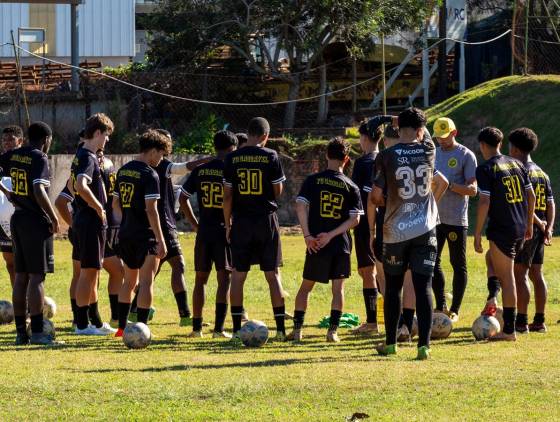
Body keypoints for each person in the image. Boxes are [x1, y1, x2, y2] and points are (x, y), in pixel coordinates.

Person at [370, 107, 448, 360]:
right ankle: (423, 346)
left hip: (395, 232)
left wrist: (391, 201)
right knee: (423, 285)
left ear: (398, 128)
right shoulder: (429, 150)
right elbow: (423, 135)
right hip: (426, 229)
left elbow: (374, 197)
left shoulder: (386, 155)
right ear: (420, 130)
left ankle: (391, 343)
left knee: (393, 287)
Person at [288, 137, 363, 343]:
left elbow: (300, 206)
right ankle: (332, 332)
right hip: (339, 244)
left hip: (315, 244)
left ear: (326, 155)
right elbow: (355, 219)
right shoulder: (351, 186)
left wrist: (308, 236)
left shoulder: (313, 180)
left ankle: (297, 331)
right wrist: (331, 235)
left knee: (306, 287)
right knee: (338, 289)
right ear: (346, 159)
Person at [128, 129, 204, 326]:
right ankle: (185, 315)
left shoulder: (149, 165)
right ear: (155, 149)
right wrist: (208, 160)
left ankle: (134, 311)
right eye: (164, 147)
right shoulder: (160, 165)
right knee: (174, 266)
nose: (167, 151)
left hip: (157, 224)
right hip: (162, 225)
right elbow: (182, 168)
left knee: (152, 272)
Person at [223, 117, 287, 341]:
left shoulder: (232, 158)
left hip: (241, 221)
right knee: (272, 275)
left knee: (238, 276)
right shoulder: (271, 156)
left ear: (247, 133)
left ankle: (235, 330)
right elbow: (278, 190)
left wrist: (228, 223)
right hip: (265, 220)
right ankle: (280, 330)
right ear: (265, 136)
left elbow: (228, 195)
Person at [0, 122, 59, 345]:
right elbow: (38, 189)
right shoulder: (39, 158)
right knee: (36, 277)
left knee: (21, 276)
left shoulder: (13, 155)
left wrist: (9, 193)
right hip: (35, 222)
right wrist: (53, 217)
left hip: (18, 219)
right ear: (46, 139)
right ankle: (37, 333)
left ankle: (20, 333)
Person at [474, 127, 535, 341]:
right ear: (500, 143)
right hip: (519, 227)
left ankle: (509, 330)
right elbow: (531, 195)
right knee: (492, 260)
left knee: (508, 278)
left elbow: (484, 201)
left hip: (502, 228)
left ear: (483, 145)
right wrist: (528, 224)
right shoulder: (517, 163)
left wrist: (477, 233)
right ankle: (494, 298)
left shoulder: (486, 168)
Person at [180, 130, 238, 338]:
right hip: (224, 231)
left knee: (200, 280)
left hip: (204, 231)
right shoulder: (231, 171)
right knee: (225, 279)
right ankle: (219, 329)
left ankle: (196, 329)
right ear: (232, 149)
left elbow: (183, 198)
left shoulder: (201, 170)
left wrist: (195, 224)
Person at [112, 129, 170, 337]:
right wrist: (161, 240)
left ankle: (121, 328)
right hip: (146, 235)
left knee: (129, 282)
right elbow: (151, 209)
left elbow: (115, 204)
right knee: (146, 282)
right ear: (153, 151)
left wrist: (124, 223)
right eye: (161, 155)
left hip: (126, 233)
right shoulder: (150, 174)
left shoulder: (124, 170)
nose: (161, 160)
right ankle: (142, 328)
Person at [69, 114, 116, 335]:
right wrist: (99, 207)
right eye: (106, 136)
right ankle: (81, 324)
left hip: (82, 219)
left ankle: (95, 322)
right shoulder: (87, 156)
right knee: (88, 273)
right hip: (89, 220)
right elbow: (79, 185)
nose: (106, 141)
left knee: (92, 272)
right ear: (97, 133)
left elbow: (71, 184)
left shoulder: (81, 154)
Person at [506, 128, 554, 333]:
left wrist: (536, 222)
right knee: (537, 273)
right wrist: (549, 226)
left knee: (520, 274)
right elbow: (551, 204)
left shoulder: (519, 170)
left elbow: (527, 202)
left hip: (526, 229)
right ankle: (540, 320)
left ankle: (522, 321)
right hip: (541, 228)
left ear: (515, 148)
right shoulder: (542, 172)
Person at [350, 115, 394, 335]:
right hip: (390, 220)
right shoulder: (387, 158)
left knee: (368, 271)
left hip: (368, 223)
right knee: (382, 271)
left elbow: (361, 197)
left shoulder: (363, 162)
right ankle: (390, 318)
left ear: (365, 137)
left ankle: (372, 323)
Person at [432, 117, 478, 322]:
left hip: (456, 219)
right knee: (432, 262)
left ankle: (455, 309)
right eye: (438, 137)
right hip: (433, 219)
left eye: (445, 136)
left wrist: (448, 185)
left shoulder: (466, 155)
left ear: (454, 133)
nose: (441, 141)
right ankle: (440, 305)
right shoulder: (432, 154)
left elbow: (473, 190)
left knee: (457, 264)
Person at [0, 125, 24, 287]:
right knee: (10, 263)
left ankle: (29, 300)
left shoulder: (26, 160)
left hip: (23, 216)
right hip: (3, 220)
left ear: (20, 141)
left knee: (25, 263)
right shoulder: (0, 160)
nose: (7, 143)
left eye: (11, 139)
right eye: (4, 140)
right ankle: (19, 303)